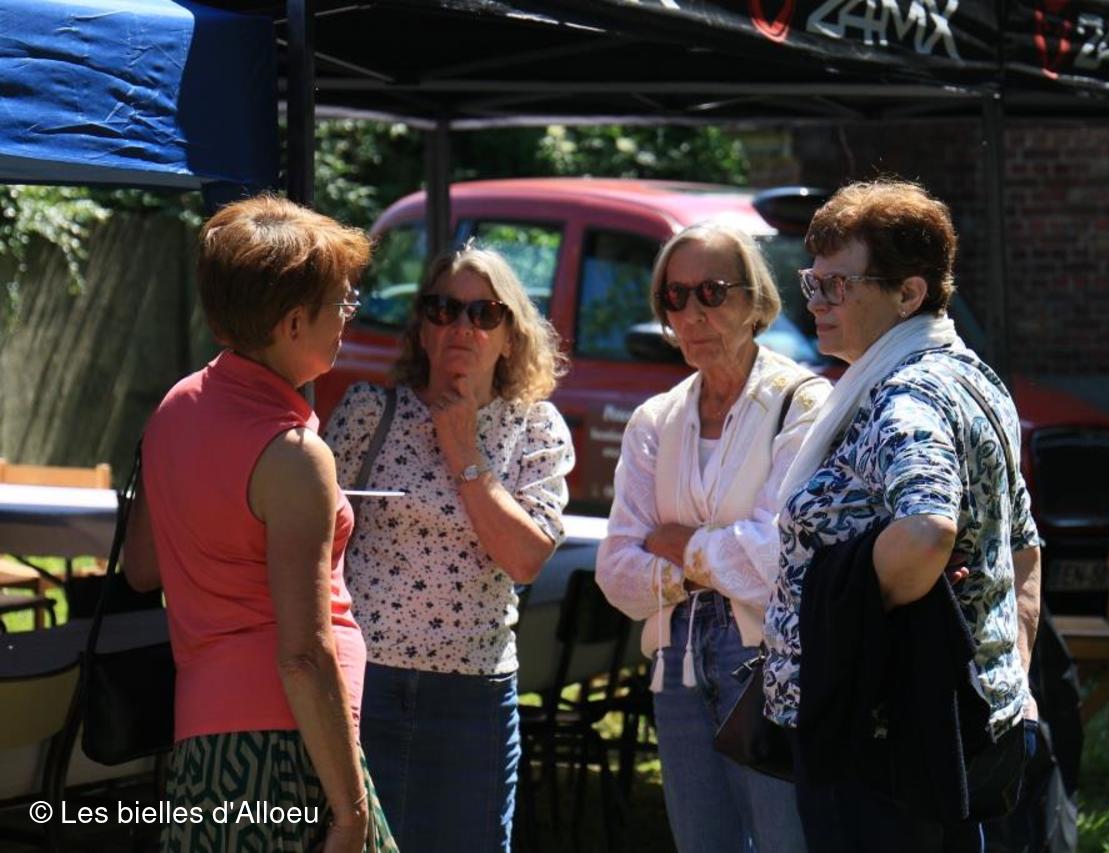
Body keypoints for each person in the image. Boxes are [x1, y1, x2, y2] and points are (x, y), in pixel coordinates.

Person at [762, 178, 1044, 852]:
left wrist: (844, 606)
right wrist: (1012, 668)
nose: (816, 303)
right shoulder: (973, 378)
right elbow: (1024, 544)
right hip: (960, 721)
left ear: (909, 294)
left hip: (881, 744)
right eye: (812, 282)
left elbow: (926, 531)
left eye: (838, 285)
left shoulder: (905, 399)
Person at [122, 194, 396, 852]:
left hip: (204, 745)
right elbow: (303, 654)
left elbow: (143, 567)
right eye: (341, 301)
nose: (349, 315)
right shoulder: (294, 455)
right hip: (289, 750)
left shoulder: (176, 406)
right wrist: (350, 811)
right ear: (294, 322)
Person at [322, 246, 574, 852]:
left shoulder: (535, 427)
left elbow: (526, 559)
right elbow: (314, 542)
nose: (462, 326)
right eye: (444, 309)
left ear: (511, 337)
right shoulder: (370, 412)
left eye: (485, 313)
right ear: (423, 329)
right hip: (364, 686)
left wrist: (464, 452)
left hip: (472, 696)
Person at [596, 222, 828, 853]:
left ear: (755, 301)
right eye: (675, 297)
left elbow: (777, 558)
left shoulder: (803, 404)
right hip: (676, 661)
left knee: (786, 840)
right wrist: (713, 557)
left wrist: (676, 543)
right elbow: (616, 573)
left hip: (770, 660)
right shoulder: (656, 419)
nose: (692, 314)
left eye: (712, 292)